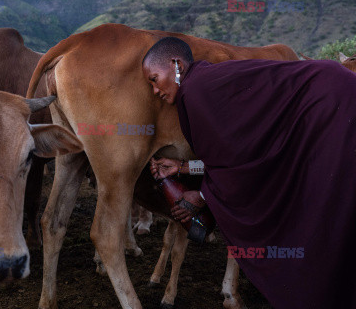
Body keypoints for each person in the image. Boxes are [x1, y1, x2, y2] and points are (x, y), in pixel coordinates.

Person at [141, 37, 356, 309]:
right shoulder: (199, 85)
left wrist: (203, 196)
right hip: (331, 93)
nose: (154, 90)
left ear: (176, 64)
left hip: (329, 106)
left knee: (321, 210)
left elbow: (238, 165)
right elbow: (235, 156)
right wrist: (183, 167)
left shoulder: (197, 92)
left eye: (154, 78)